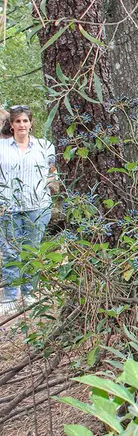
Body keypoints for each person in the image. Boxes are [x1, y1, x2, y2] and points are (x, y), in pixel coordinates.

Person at [0, 105, 58, 311]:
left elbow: (52, 172)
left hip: (37, 206)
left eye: (25, 121)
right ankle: (9, 297)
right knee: (10, 252)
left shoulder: (45, 146)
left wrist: (53, 188)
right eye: (18, 121)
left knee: (32, 251)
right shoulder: (2, 147)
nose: (22, 125)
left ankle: (29, 294)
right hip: (7, 207)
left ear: (31, 123)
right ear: (12, 125)